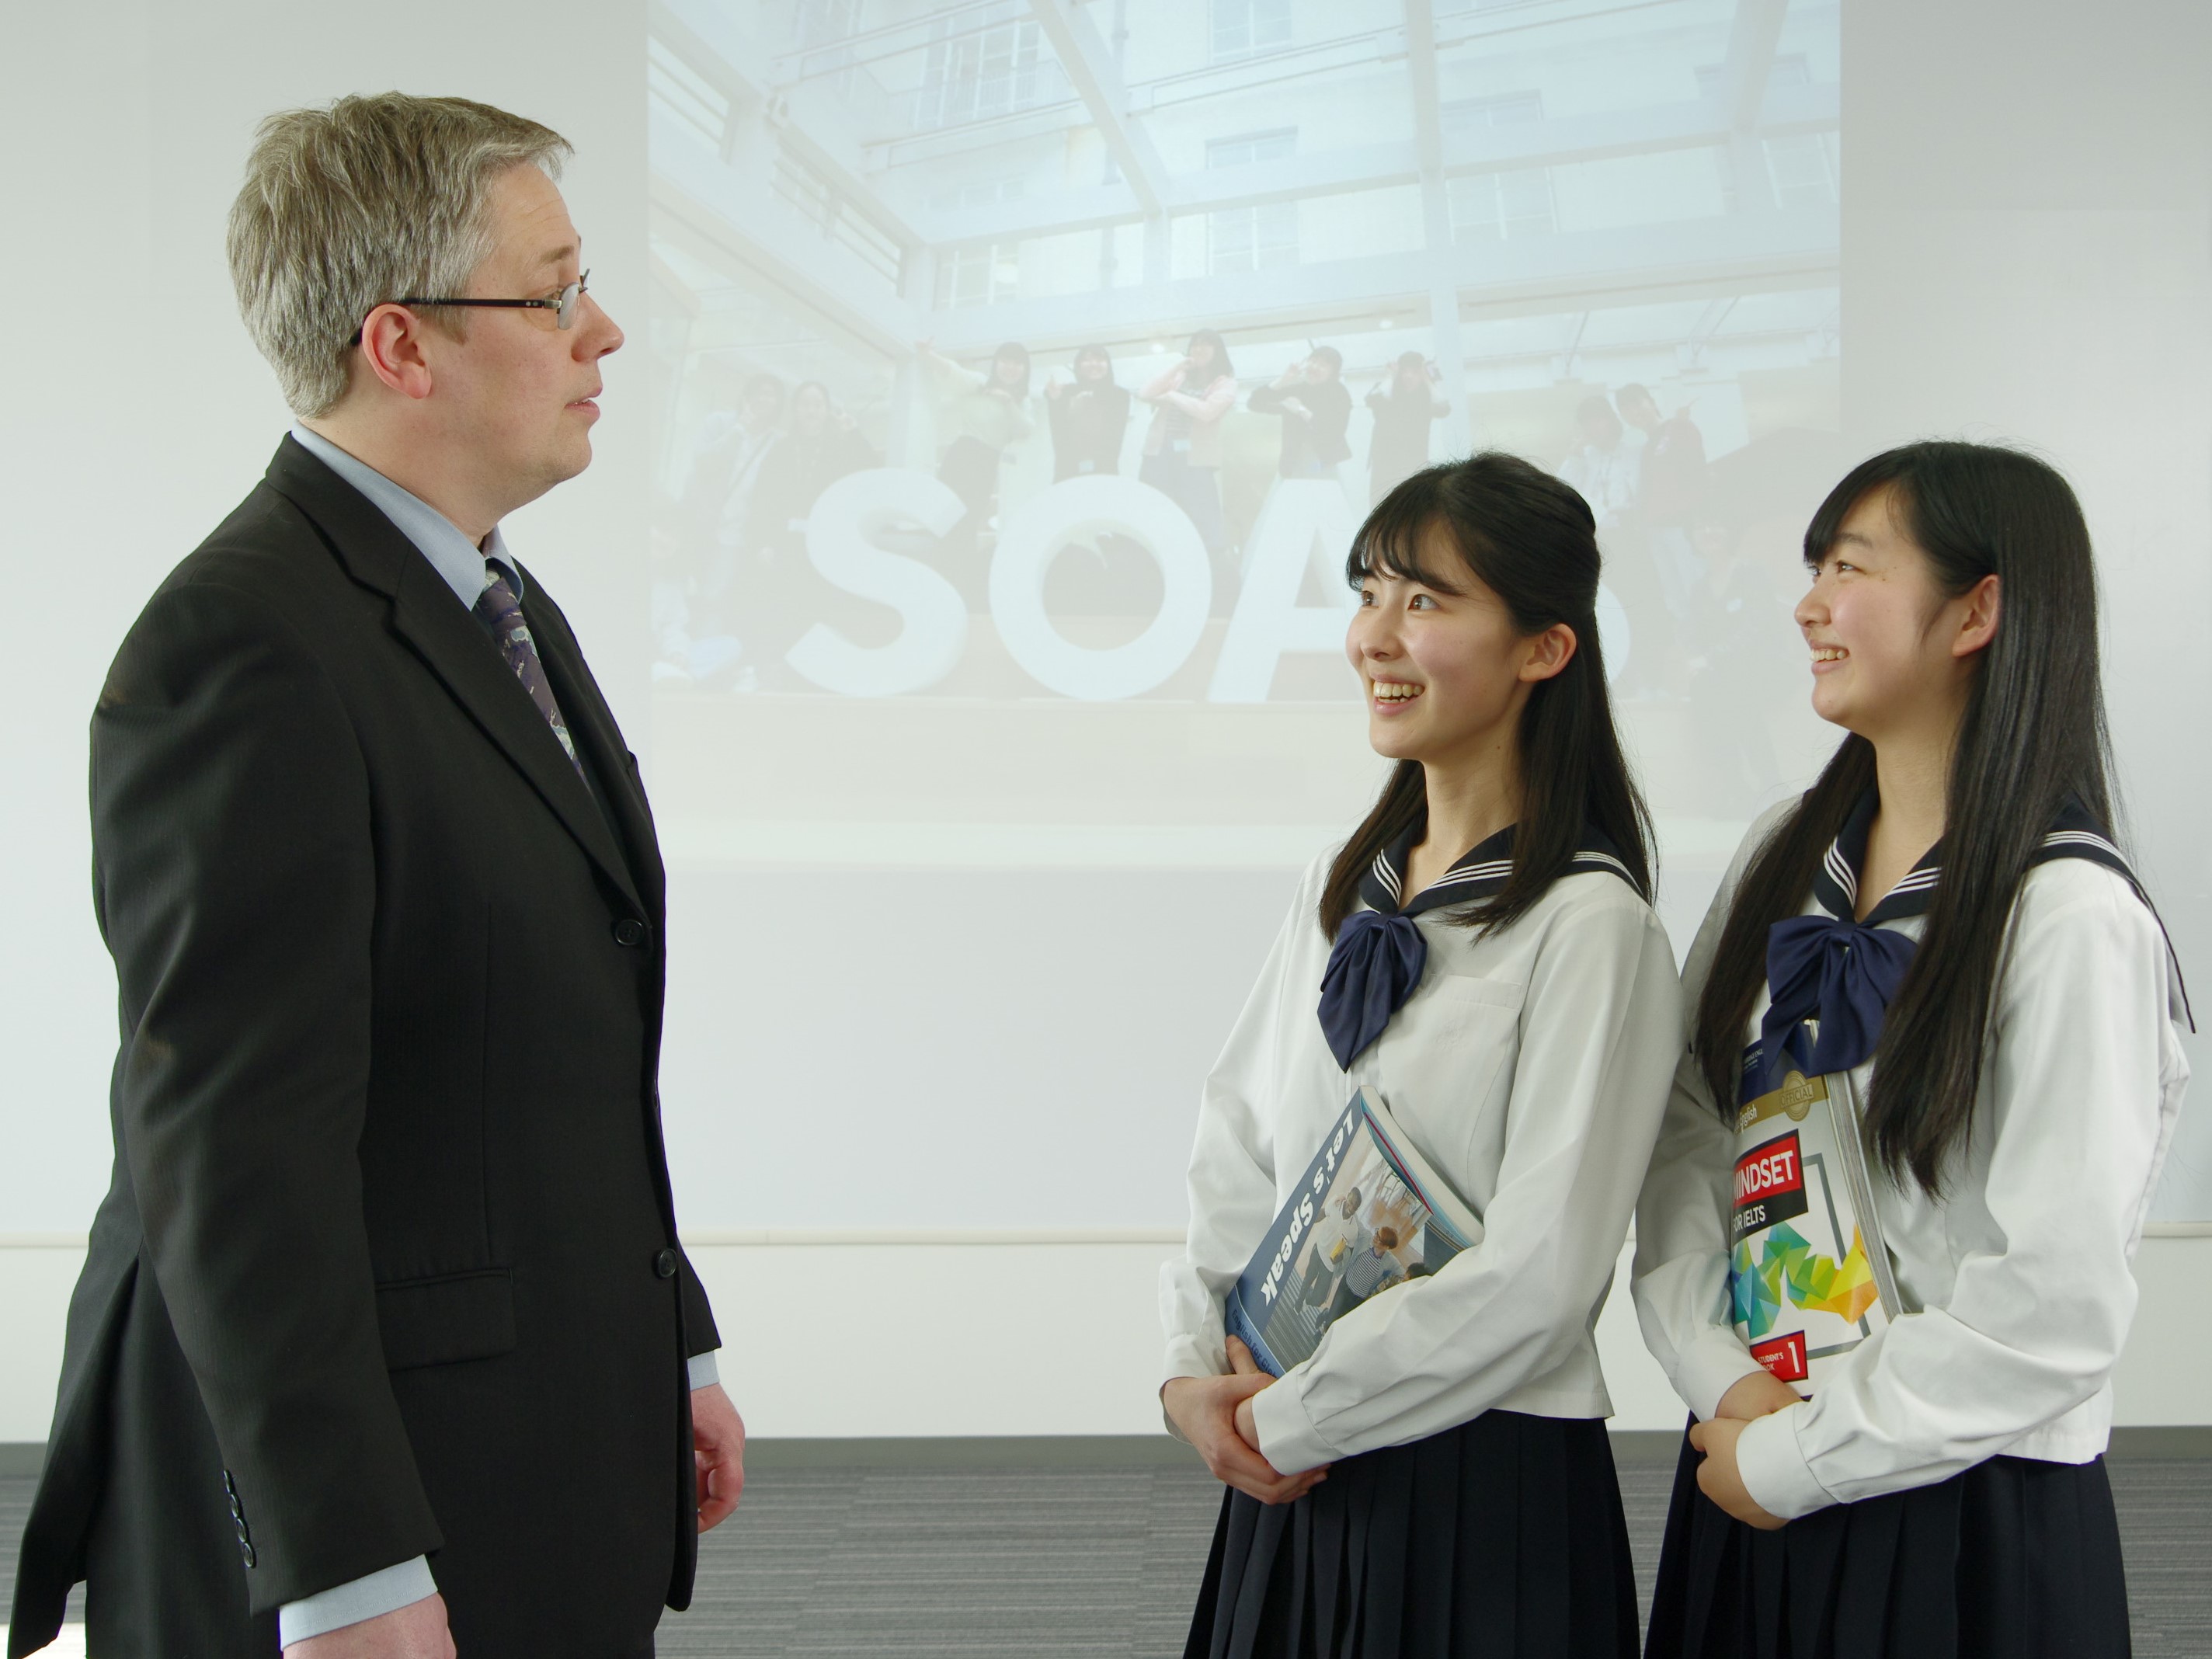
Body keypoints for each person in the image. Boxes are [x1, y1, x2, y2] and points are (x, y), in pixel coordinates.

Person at [5, 94, 744, 1659]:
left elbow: (538, 1055)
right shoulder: (247, 647)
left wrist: (666, 1344)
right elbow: (234, 1155)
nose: (601, 331)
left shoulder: (483, 591)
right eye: (552, 294)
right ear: (401, 346)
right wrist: (341, 1569)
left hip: (532, 1430)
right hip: (380, 1504)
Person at [1633, 442, 2189, 1658]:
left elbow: (2050, 1305)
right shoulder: (1786, 846)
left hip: (1961, 1514)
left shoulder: (2070, 917)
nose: (1808, 605)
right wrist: (1718, 1374)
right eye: (1812, 568)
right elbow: (1684, 1126)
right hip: (1748, 1457)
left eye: (1850, 567)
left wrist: (1800, 1454)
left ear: (1978, 608)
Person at [1162, 454, 1685, 1657]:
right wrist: (1194, 1368)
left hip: (1477, 1484)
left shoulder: (1592, 927)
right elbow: (1239, 1138)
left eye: (1427, 602)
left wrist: (1299, 1416)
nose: (1374, 638)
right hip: (1288, 1461)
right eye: (1367, 594)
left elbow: (1543, 1273)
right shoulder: (1340, 890)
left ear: (1544, 649)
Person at [742, 381, 879, 683]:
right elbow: (764, 499)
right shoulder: (781, 449)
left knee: (819, 606)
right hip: (784, 543)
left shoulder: (841, 447)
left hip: (825, 546)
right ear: (795, 409)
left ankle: (813, 674)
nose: (812, 411)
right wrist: (763, 542)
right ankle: (780, 670)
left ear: (827, 410)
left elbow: (870, 470)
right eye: (806, 403)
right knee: (782, 606)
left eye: (818, 404)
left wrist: (852, 431)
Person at [919, 338, 1035, 598]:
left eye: (1017, 363)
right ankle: (936, 584)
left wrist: (1007, 401)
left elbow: (1025, 430)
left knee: (969, 523)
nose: (1010, 368)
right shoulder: (979, 383)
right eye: (1005, 361)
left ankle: (961, 588)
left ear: (1025, 369)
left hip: (986, 462)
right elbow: (953, 373)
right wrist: (928, 354)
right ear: (997, 363)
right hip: (961, 455)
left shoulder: (1021, 401)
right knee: (947, 519)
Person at [1138, 329, 1239, 562]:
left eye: (1206, 345)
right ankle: (1155, 559)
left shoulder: (1227, 384)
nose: (1199, 349)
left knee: (1202, 514)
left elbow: (1206, 413)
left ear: (1218, 351)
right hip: (1159, 454)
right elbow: (1145, 392)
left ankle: (1209, 564)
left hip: (1195, 460)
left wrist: (1172, 396)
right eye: (1194, 345)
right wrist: (1177, 367)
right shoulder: (1179, 377)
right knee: (1155, 509)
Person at [1616, 383, 1707, 623]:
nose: (1635, 412)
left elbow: (1698, 473)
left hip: (1681, 525)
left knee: (1694, 588)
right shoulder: (1646, 447)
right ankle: (1694, 649)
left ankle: (1714, 643)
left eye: (1637, 403)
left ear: (1651, 402)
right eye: (1627, 409)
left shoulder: (1678, 428)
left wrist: (1697, 520)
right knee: (1674, 596)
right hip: (1655, 531)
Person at [1247, 346, 1354, 481]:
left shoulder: (1339, 392)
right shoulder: (1297, 388)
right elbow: (1254, 403)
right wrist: (1283, 379)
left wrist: (1301, 410)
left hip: (1322, 462)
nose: (1315, 367)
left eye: (1323, 365)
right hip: (1292, 462)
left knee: (1322, 497)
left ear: (1332, 373)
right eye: (1313, 361)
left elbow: (1335, 431)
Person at [1365, 352, 1449, 506]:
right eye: (1405, 371)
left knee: (1412, 505)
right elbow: (1371, 399)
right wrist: (1390, 375)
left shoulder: (1425, 395)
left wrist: (1428, 380)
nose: (1408, 376)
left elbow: (1444, 408)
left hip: (1414, 461)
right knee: (1380, 504)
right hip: (1384, 460)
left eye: (1415, 372)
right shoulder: (1389, 390)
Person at [1043, 343, 1132, 481]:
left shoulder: (1119, 395)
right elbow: (1059, 431)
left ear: (1108, 365)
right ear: (1078, 366)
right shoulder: (1066, 392)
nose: (1094, 364)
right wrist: (1055, 399)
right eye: (1087, 360)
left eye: (1100, 360)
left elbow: (1113, 435)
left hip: (1105, 470)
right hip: (1067, 472)